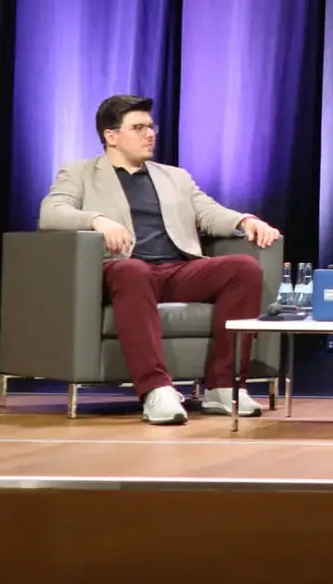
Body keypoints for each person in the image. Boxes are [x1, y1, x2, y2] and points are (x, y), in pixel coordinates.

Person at [37, 94, 281, 424]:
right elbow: (51, 213)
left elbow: (208, 212)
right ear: (111, 136)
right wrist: (97, 219)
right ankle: (156, 390)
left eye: (151, 127)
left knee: (243, 268)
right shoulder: (80, 173)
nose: (149, 134)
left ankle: (223, 387)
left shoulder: (174, 176)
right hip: (122, 269)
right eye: (138, 127)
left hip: (177, 269)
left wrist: (244, 221)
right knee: (133, 271)